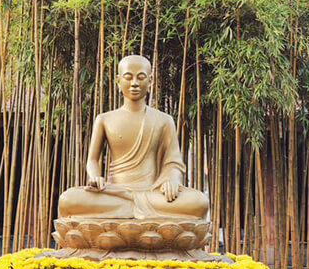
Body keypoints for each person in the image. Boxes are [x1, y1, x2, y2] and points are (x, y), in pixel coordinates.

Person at [57, 55, 209, 220]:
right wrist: (94, 177)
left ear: (150, 81)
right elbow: (92, 160)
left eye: (141, 77)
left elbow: (173, 162)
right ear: (118, 81)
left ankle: (126, 213)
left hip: (152, 194)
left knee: (199, 202)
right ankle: (135, 213)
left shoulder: (164, 120)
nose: (134, 83)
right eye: (128, 77)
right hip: (115, 193)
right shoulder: (104, 119)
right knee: (67, 200)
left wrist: (171, 180)